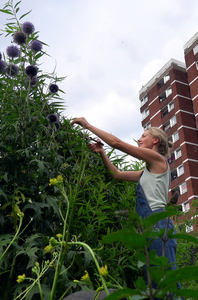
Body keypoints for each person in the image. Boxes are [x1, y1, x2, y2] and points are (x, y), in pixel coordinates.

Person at [70, 117, 179, 283]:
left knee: (165, 282)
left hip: (158, 225)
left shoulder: (158, 160)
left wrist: (88, 125)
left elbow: (116, 143)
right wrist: (102, 152)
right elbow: (116, 175)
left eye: (144, 136)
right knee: (154, 283)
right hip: (148, 228)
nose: (139, 140)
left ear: (155, 140)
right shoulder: (147, 172)